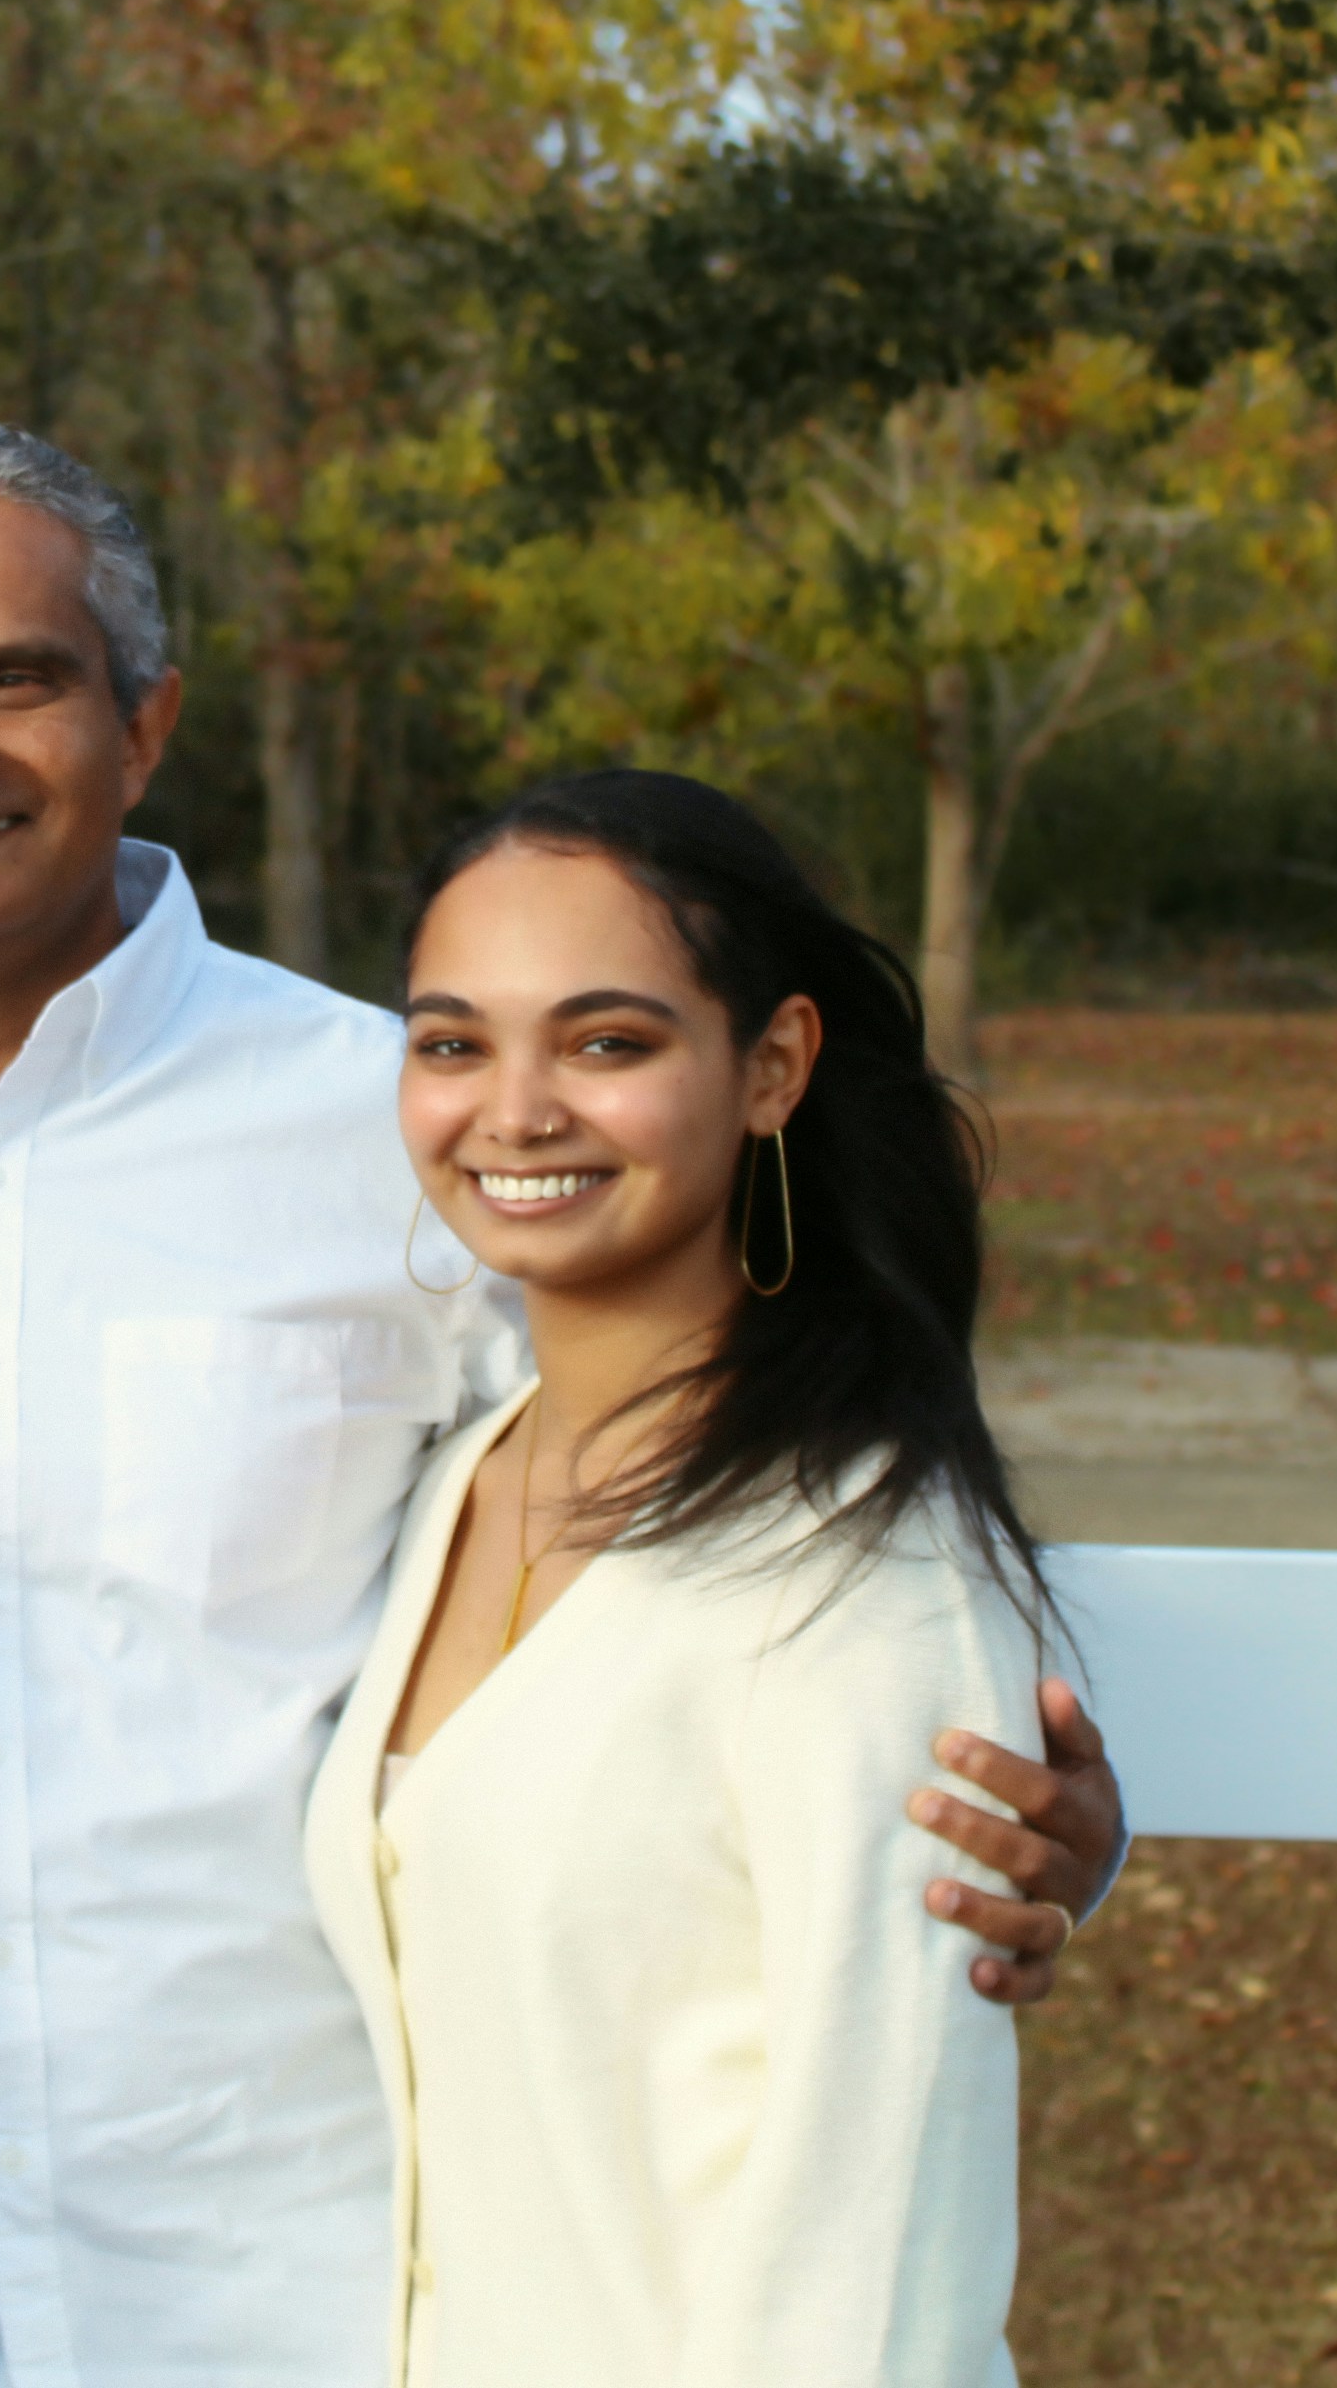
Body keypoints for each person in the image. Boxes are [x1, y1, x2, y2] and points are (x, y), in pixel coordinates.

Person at [0, 418, 1124, 2388]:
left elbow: (735, 1503)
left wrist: (1003, 1799)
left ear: (145, 721)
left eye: (16, 677)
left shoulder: (392, 1121)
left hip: (307, 2284)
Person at [312, 770, 1047, 2382]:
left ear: (770, 1065)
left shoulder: (853, 1568)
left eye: (605, 1041)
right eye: (451, 1041)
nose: (512, 1109)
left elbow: (881, 2260)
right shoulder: (466, 1474)